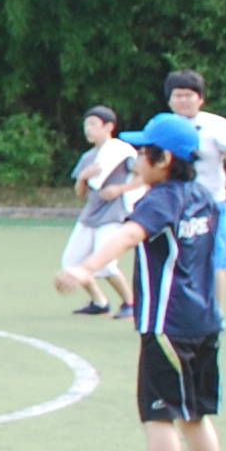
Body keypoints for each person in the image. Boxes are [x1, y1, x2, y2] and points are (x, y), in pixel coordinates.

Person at [53, 109, 226, 451]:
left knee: (159, 415)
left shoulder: (160, 199)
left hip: (168, 324)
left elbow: (130, 235)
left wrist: (85, 268)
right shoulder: (203, 196)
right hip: (203, 321)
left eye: (142, 152)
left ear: (163, 159)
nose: (136, 159)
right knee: (194, 414)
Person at [161, 68, 226, 314]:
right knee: (174, 259)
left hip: (211, 204)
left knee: (214, 260)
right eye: (178, 95)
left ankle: (215, 313)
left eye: (189, 95)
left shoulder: (216, 125)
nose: (184, 100)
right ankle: (175, 313)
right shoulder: (162, 126)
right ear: (169, 99)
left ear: (201, 98)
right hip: (173, 204)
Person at [58, 107, 138, 316]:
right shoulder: (88, 157)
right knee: (71, 263)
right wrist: (83, 176)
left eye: (93, 124)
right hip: (90, 216)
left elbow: (143, 177)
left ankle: (130, 303)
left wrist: (120, 189)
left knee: (106, 266)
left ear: (109, 127)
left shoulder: (122, 153)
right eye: (86, 125)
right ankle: (99, 302)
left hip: (113, 215)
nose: (88, 129)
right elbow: (80, 194)